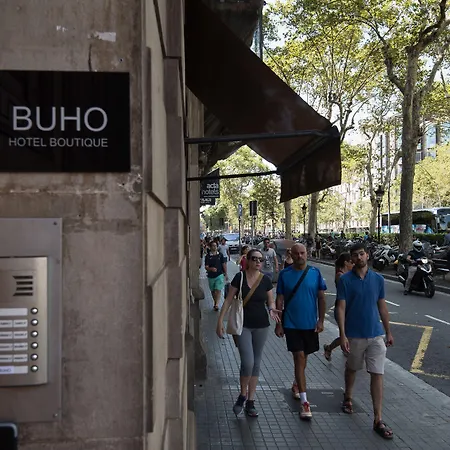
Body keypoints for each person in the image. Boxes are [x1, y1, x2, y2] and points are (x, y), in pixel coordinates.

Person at [336, 242, 394, 440]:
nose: (359, 258)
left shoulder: (378, 279)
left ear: (367, 255)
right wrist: (342, 334)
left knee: (377, 373)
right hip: (355, 335)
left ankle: (378, 419)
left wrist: (388, 331)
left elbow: (382, 306)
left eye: (361, 254)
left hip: (376, 334)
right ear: (351, 258)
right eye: (355, 255)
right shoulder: (345, 280)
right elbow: (341, 308)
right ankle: (348, 396)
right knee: (352, 368)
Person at [216, 249, 281, 417]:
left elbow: (270, 301)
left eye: (260, 259)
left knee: (256, 362)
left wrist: (272, 309)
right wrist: (220, 321)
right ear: (248, 260)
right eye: (255, 259)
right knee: (248, 362)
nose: (258, 262)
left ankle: (250, 401)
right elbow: (228, 300)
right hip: (242, 325)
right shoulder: (240, 277)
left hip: (262, 325)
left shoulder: (265, 280)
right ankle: (242, 394)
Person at [275, 243, 326, 420]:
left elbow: (321, 298)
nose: (300, 256)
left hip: (309, 324)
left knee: (304, 358)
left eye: (302, 253)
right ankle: (305, 401)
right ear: (292, 254)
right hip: (291, 323)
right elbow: (279, 299)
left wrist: (321, 320)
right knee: (299, 356)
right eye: (296, 253)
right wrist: (279, 323)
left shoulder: (315, 273)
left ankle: (297, 382)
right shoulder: (285, 274)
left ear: (307, 253)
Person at [323, 253, 354, 361]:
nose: (353, 264)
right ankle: (331, 348)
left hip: (349, 308)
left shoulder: (347, 274)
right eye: (351, 262)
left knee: (350, 333)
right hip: (342, 308)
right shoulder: (340, 276)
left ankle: (332, 348)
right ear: (346, 263)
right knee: (347, 334)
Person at [205, 241, 228, 311]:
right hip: (211, 276)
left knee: (218, 289)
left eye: (215, 246)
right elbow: (206, 266)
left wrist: (226, 273)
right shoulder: (208, 256)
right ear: (210, 247)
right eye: (213, 246)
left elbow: (223, 264)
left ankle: (217, 304)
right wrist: (211, 269)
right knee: (213, 291)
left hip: (219, 274)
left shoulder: (220, 255)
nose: (214, 247)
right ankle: (215, 302)